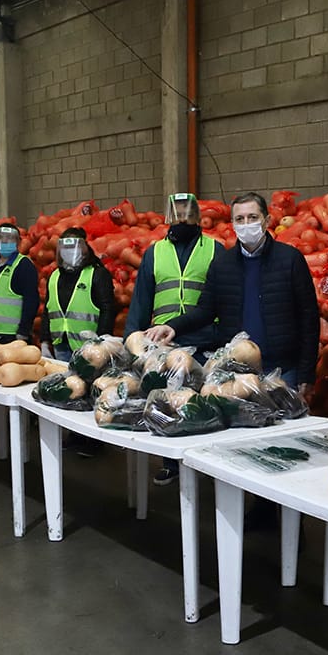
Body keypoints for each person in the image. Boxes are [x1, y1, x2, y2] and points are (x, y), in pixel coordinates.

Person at [150, 191, 320, 526]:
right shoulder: (224, 263)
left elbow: (308, 318)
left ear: (267, 220)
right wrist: (173, 327)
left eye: (252, 218)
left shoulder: (290, 260)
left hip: (280, 369)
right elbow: (206, 308)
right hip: (236, 374)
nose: (246, 225)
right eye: (239, 219)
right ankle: (261, 511)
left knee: (283, 449)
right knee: (247, 446)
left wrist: (306, 371)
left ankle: (291, 528)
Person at [125, 193, 225, 486]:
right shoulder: (155, 253)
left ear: (198, 217)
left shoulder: (215, 250)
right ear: (167, 217)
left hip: (207, 339)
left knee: (206, 399)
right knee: (168, 401)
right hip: (167, 344)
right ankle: (171, 461)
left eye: (187, 214)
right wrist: (132, 338)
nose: (181, 219)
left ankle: (208, 461)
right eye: (176, 214)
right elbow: (141, 300)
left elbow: (225, 297)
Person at [40, 227, 116, 458]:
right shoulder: (54, 276)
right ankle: (74, 437)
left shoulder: (96, 274)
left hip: (89, 350)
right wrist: (44, 340)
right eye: (64, 246)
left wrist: (101, 341)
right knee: (70, 394)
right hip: (62, 345)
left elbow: (107, 308)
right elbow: (47, 310)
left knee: (90, 394)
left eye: (74, 246)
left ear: (84, 247)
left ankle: (92, 441)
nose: (69, 251)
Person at [0, 223, 40, 343]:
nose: (5, 241)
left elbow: (31, 301)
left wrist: (23, 331)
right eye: (1, 237)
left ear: (18, 242)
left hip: (12, 335)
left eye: (10, 238)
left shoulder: (24, 265)